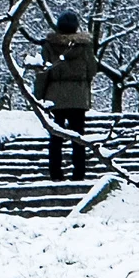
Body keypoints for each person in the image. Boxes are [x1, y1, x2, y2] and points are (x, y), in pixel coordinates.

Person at [38, 11, 97, 180]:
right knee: (78, 136)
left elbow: (43, 73)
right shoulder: (84, 46)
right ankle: (79, 172)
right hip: (78, 97)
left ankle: (55, 173)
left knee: (55, 137)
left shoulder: (49, 45)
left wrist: (39, 96)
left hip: (54, 97)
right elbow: (92, 69)